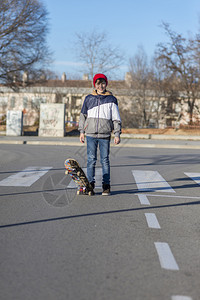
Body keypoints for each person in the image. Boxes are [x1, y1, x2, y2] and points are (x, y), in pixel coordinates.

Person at [78, 73, 121, 195]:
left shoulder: (111, 99)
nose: (101, 86)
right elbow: (83, 116)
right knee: (91, 160)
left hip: (105, 135)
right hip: (90, 134)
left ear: (106, 84)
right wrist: (82, 132)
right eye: (98, 83)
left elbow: (116, 118)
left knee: (105, 160)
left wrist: (117, 133)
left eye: (103, 83)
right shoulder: (88, 99)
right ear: (94, 84)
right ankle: (90, 184)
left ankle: (106, 186)